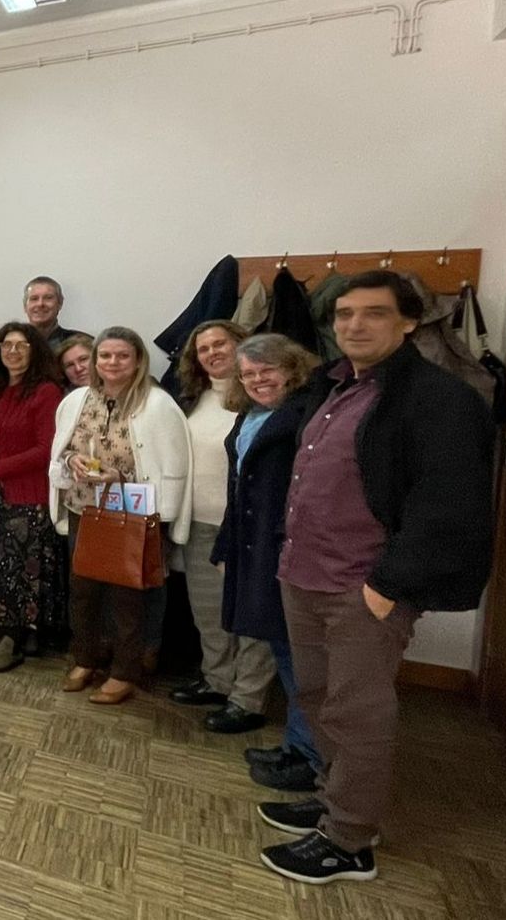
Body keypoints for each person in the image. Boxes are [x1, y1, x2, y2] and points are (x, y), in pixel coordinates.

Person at [257, 272, 494, 885]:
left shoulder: (439, 398)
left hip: (361, 587)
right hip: (304, 575)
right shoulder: (336, 386)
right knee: (316, 698)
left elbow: (449, 503)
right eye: (344, 315)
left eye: (374, 313)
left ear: (409, 322)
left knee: (357, 713)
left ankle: (349, 840)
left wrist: (386, 586)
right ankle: (335, 800)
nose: (354, 325)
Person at [50, 326, 191, 706]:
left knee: (128, 596)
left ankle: (124, 672)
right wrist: (71, 460)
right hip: (84, 509)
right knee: (82, 590)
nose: (113, 362)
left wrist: (121, 478)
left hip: (132, 514)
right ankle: (85, 659)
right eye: (106, 355)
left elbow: (173, 466)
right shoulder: (77, 400)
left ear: (138, 360)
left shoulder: (158, 405)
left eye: (122, 355)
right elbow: (61, 449)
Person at [213, 335, 323, 793]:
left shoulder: (307, 414)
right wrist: (226, 544)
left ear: (291, 369)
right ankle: (296, 745)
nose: (258, 380)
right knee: (283, 648)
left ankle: (308, 758)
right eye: (248, 374)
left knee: (301, 661)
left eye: (267, 370)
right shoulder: (252, 413)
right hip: (252, 544)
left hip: (286, 548)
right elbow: (240, 484)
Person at [168, 321, 274, 733]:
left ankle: (247, 699)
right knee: (209, 614)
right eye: (203, 348)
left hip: (246, 529)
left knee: (250, 617)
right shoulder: (193, 398)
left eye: (220, 344)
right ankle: (217, 680)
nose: (211, 353)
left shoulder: (260, 396)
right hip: (199, 522)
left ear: (241, 344)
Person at [0, 322, 65, 672]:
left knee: (22, 572)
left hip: (29, 498)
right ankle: (22, 636)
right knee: (4, 568)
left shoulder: (47, 392)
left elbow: (45, 450)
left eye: (22, 345)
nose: (13, 351)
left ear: (35, 351)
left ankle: (14, 642)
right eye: (7, 345)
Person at [25, 277, 79, 347]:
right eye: (34, 299)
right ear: (25, 306)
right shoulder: (15, 345)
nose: (40, 304)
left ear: (60, 303)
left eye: (48, 298)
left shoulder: (78, 343)